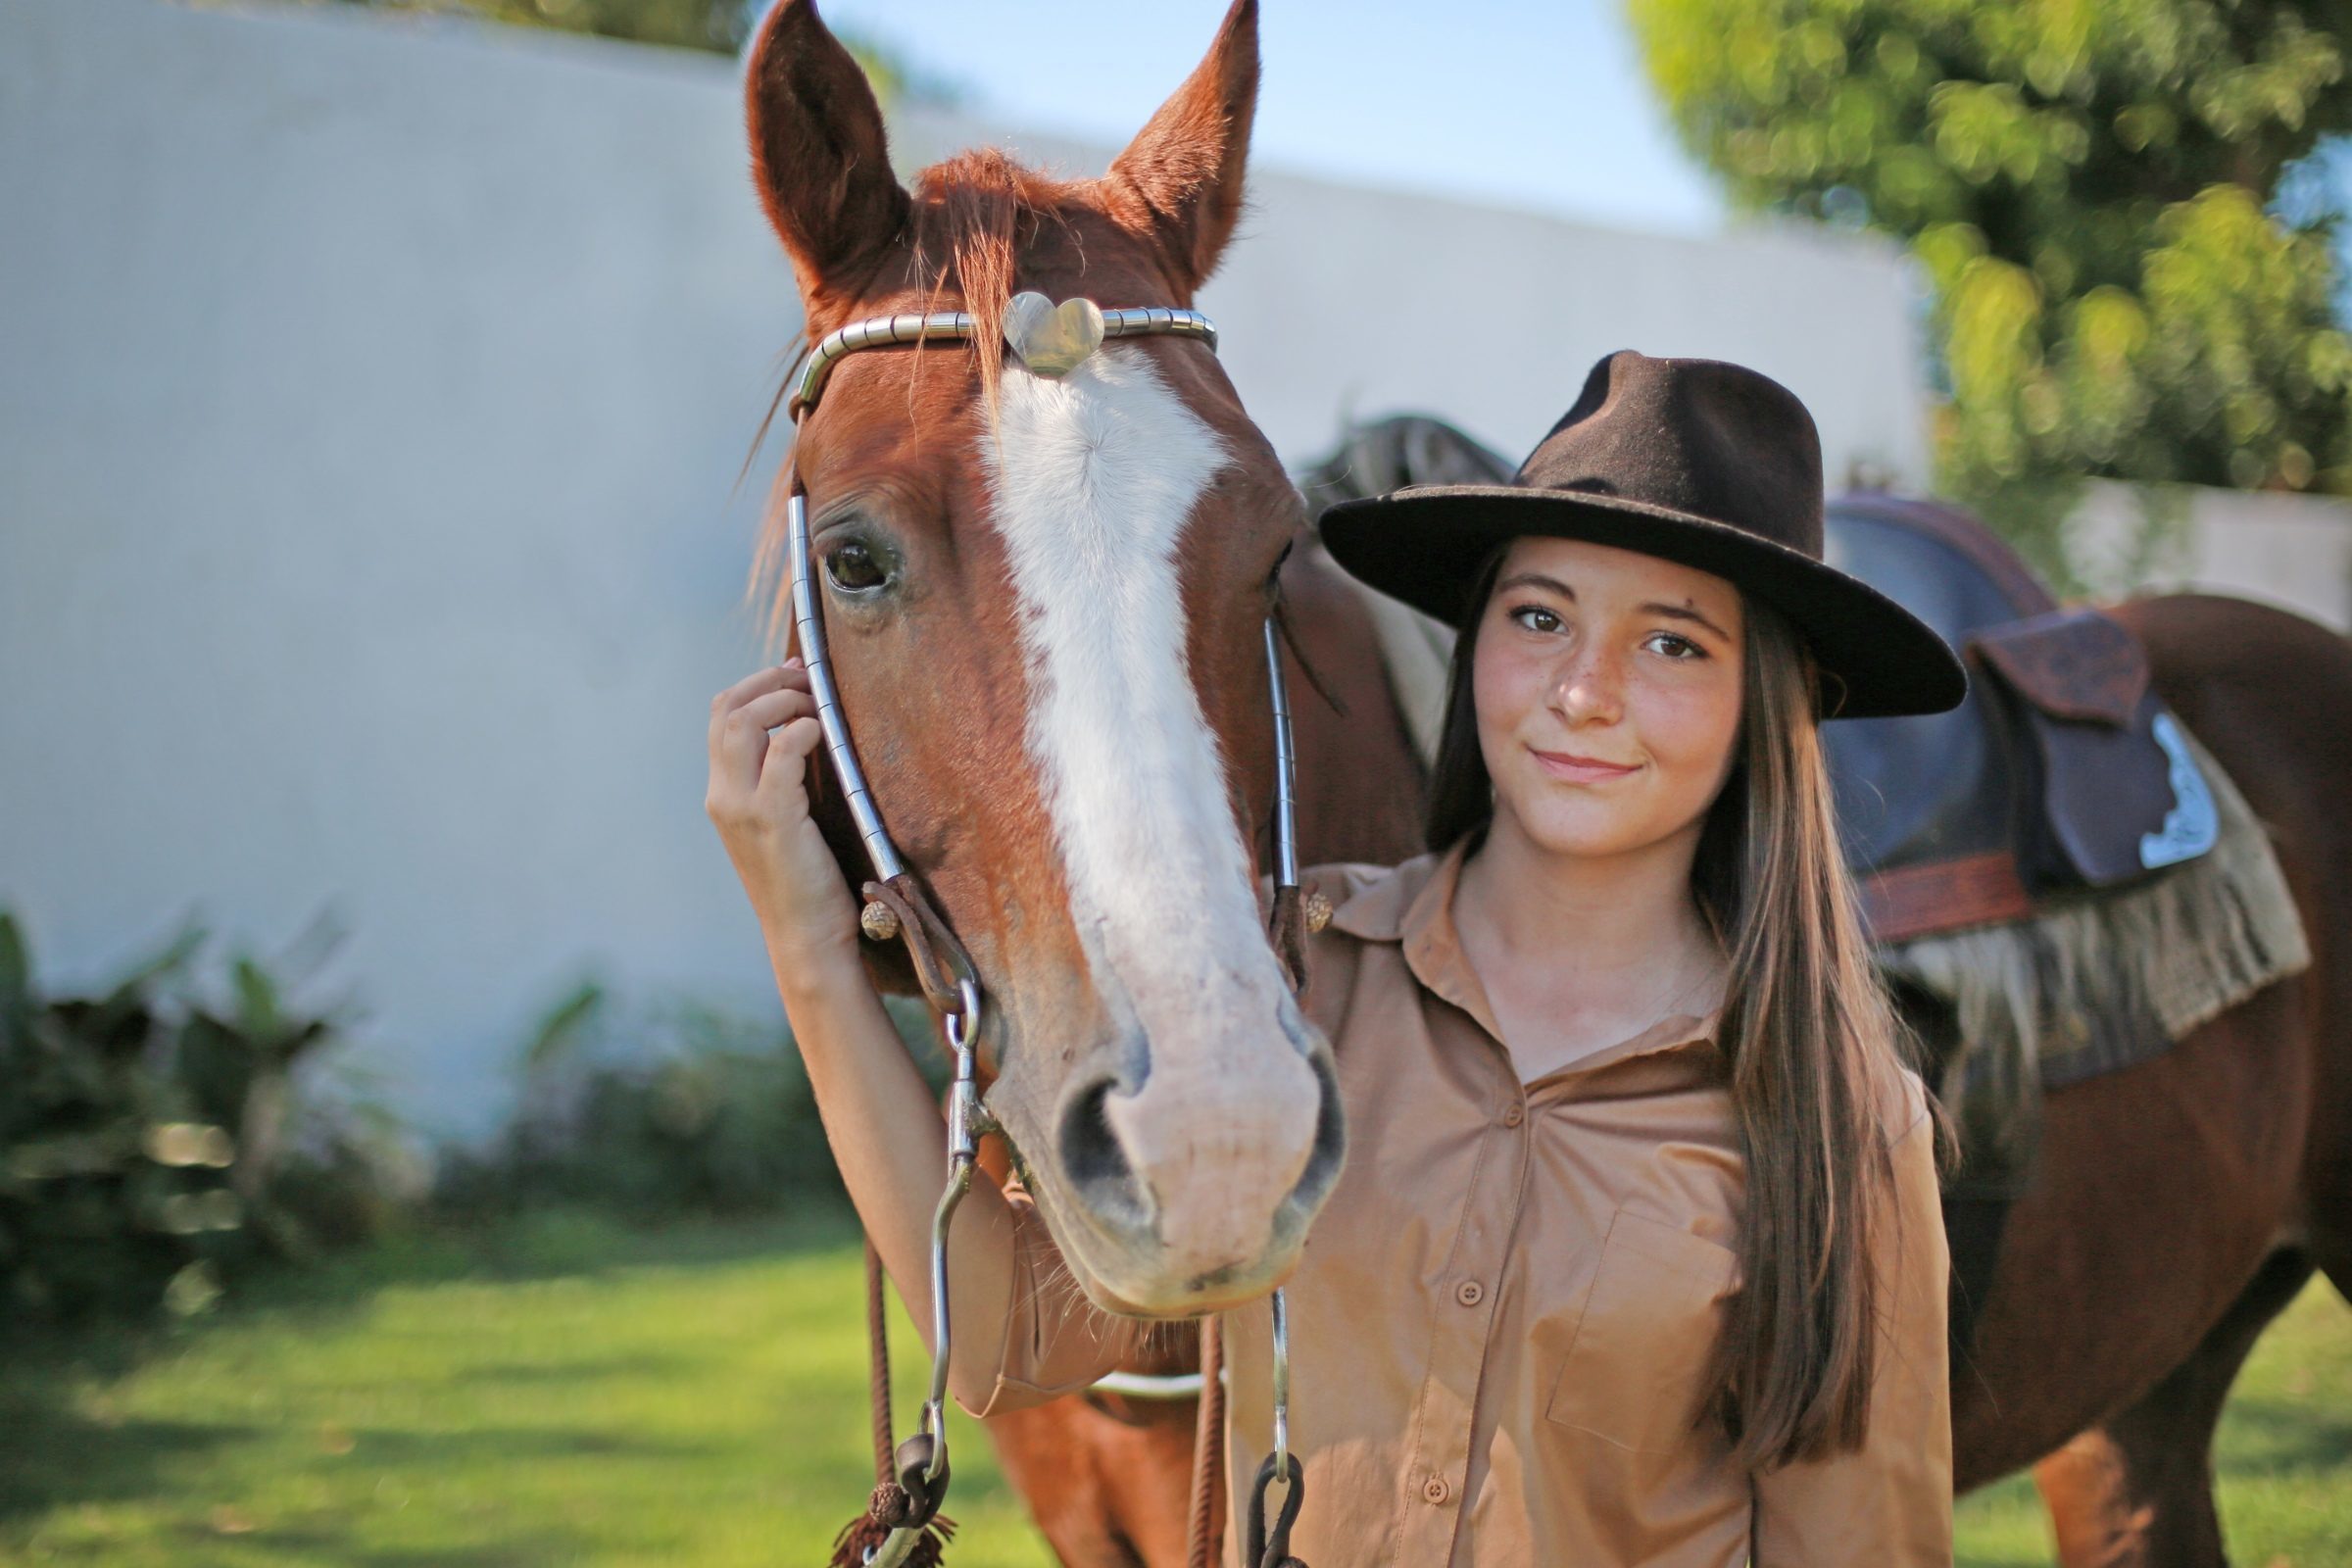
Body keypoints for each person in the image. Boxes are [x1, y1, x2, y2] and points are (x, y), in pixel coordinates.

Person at [708, 349, 1966, 1565]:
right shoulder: (1290, 982)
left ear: (1767, 705)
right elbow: (998, 1337)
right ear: (1478, 645)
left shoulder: (1845, 1121)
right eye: (1541, 616)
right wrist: (807, 943)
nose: (1584, 690)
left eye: (1674, 642)